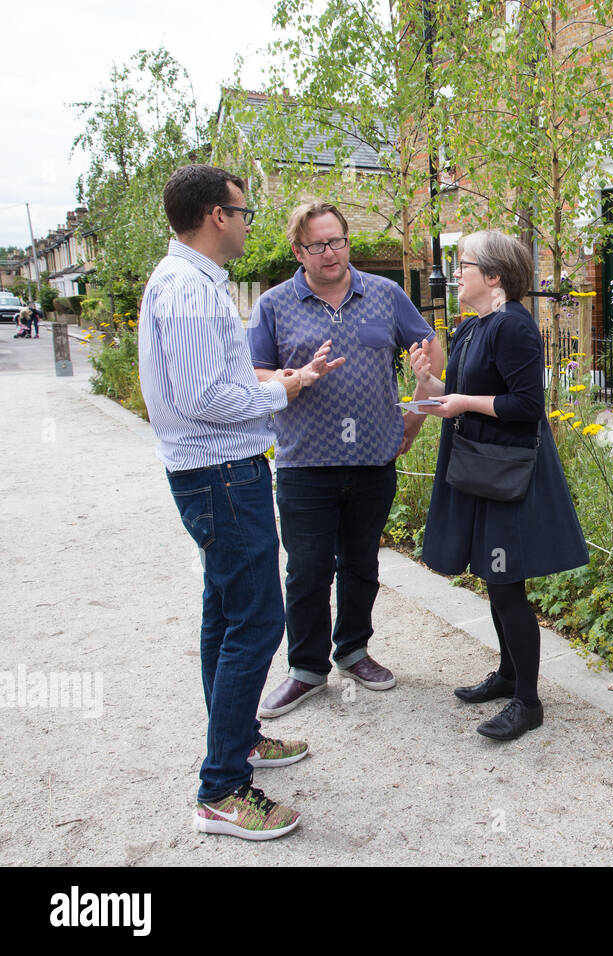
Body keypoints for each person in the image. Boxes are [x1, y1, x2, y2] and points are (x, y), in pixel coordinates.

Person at [139, 163, 335, 840]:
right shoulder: (190, 291)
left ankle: (240, 740)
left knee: (224, 614)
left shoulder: (186, 282)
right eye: (244, 212)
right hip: (222, 472)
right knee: (256, 620)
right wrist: (282, 391)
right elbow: (204, 399)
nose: (250, 223)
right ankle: (222, 788)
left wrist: (264, 380)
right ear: (217, 216)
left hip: (211, 469)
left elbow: (209, 382)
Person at [249, 200, 444, 718]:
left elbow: (428, 351)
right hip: (304, 463)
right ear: (298, 250)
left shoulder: (385, 294)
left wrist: (420, 403)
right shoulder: (273, 305)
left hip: (373, 458)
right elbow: (255, 373)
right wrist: (296, 378)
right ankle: (306, 669)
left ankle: (354, 650)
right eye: (317, 244)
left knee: (360, 564)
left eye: (337, 241)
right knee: (307, 571)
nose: (330, 252)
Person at [411, 230, 588, 741]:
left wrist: (463, 404)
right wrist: (428, 385)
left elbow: (528, 407)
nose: (453, 272)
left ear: (493, 276)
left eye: (462, 263)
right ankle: (509, 675)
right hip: (480, 466)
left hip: (509, 472)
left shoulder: (514, 327)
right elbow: (455, 394)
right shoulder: (472, 328)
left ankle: (528, 703)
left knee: (507, 585)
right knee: (493, 579)